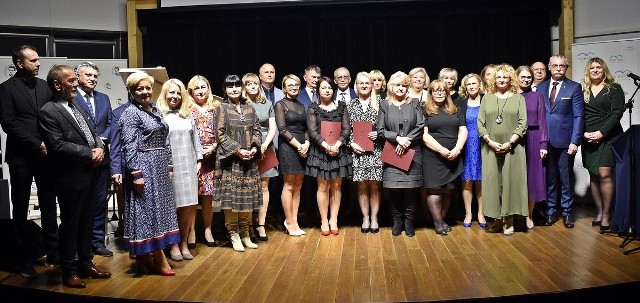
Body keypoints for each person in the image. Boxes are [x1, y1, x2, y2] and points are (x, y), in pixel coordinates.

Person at [38, 64, 111, 288]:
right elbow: (57, 145)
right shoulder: (48, 111)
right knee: (71, 225)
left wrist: (99, 148)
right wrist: (89, 153)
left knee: (87, 222)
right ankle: (69, 271)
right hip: (69, 178)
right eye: (71, 81)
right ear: (57, 84)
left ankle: (86, 263)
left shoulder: (75, 105)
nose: (76, 84)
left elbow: (92, 132)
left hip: (90, 174)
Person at [0, 45, 58, 279]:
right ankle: (23, 259)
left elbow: (53, 115)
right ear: (19, 63)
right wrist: (36, 143)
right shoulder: (5, 89)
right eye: (33, 60)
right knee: (21, 208)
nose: (38, 63)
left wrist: (50, 143)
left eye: (38, 60)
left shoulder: (44, 86)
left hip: (46, 157)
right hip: (21, 158)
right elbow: (8, 123)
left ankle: (53, 253)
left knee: (48, 204)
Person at [120, 71, 179, 276]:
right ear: (131, 91)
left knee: (160, 211)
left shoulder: (155, 110)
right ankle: (156, 256)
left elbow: (166, 139)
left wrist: (169, 165)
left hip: (160, 167)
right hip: (144, 167)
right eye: (140, 89)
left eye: (147, 88)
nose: (145, 92)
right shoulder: (130, 113)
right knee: (147, 211)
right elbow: (129, 146)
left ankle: (146, 257)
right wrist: (137, 173)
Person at [477, 64, 528, 236]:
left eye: (505, 77)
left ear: (511, 79)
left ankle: (508, 220)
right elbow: (480, 123)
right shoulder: (486, 98)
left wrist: (510, 143)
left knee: (511, 182)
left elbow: (523, 124)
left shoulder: (518, 98)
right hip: (490, 147)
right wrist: (489, 141)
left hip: (513, 148)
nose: (501, 79)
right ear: (493, 79)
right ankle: (496, 219)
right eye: (498, 77)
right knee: (493, 184)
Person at [214, 74, 263, 252]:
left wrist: (255, 148)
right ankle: (233, 234)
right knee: (232, 199)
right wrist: (237, 150)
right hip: (231, 160)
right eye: (230, 86)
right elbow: (219, 134)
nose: (234, 89)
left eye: (236, 85)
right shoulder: (222, 108)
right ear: (225, 89)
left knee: (247, 198)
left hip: (249, 160)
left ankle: (245, 233)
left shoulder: (249, 107)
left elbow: (257, 129)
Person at [157, 79, 202, 261]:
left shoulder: (187, 115)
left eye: (178, 93)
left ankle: (183, 243)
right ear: (164, 94)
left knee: (188, 207)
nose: (175, 96)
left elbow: (195, 139)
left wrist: (198, 160)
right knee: (172, 207)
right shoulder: (159, 114)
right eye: (171, 93)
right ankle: (173, 245)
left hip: (188, 165)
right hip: (170, 167)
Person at [73, 61, 114, 257]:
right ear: (78, 76)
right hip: (81, 160)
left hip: (102, 159)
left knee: (99, 203)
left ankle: (97, 242)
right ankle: (80, 244)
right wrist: (91, 147)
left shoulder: (104, 98)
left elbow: (110, 124)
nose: (92, 78)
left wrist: (101, 143)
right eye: (88, 75)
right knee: (80, 204)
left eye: (95, 76)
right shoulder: (71, 99)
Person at [538, 55, 585, 229]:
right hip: (544, 141)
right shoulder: (540, 88)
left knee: (565, 179)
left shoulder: (574, 87)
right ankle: (551, 211)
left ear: (566, 68)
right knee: (549, 179)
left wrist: (575, 141)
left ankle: (566, 213)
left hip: (566, 142)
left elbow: (579, 116)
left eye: (562, 66)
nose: (558, 68)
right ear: (549, 67)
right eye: (555, 65)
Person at [377, 71, 425, 237]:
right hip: (392, 151)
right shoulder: (384, 105)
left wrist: (407, 140)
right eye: (397, 85)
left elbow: (421, 125)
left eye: (404, 86)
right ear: (391, 87)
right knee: (394, 189)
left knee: (411, 189)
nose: (401, 88)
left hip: (412, 151)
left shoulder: (415, 103)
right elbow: (381, 130)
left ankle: (409, 221)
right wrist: (397, 138)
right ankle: (397, 221)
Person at [580, 57, 625, 232]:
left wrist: (601, 133)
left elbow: (616, 114)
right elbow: (578, 114)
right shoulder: (582, 89)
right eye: (592, 68)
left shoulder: (614, 89)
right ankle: (598, 212)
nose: (596, 70)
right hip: (588, 137)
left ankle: (607, 214)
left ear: (604, 69)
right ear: (588, 71)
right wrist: (584, 133)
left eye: (599, 67)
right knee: (593, 174)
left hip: (609, 137)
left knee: (605, 174)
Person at [306, 76, 352, 235]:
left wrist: (337, 145)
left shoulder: (341, 106)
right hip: (320, 152)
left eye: (330, 88)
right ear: (318, 90)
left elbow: (347, 129)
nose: (327, 90)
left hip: (338, 151)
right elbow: (312, 132)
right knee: (323, 186)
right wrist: (326, 146)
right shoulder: (313, 108)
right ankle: (324, 220)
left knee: (337, 186)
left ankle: (334, 219)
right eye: (324, 88)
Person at [422, 80, 467, 235]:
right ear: (431, 93)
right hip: (433, 156)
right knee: (434, 190)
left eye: (442, 91)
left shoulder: (456, 109)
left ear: (447, 93)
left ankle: (442, 219)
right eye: (436, 91)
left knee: (448, 190)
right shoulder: (424, 109)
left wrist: (457, 149)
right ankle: (438, 222)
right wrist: (441, 149)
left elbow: (463, 130)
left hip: (453, 155)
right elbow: (424, 135)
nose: (439, 93)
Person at [244, 73, 278, 241]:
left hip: (266, 146)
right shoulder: (241, 104)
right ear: (244, 87)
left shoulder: (267, 103)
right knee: (249, 187)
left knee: (264, 186)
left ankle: (261, 224)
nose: (253, 86)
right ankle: (249, 224)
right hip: (247, 147)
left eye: (255, 83)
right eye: (249, 84)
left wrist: (264, 145)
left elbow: (273, 128)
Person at [348, 72, 383, 233]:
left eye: (367, 83)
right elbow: (345, 130)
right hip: (358, 151)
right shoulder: (350, 105)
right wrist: (351, 143)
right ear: (356, 85)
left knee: (375, 185)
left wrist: (379, 134)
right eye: (360, 83)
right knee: (362, 185)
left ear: (372, 85)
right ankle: (365, 218)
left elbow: (387, 128)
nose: (364, 86)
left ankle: (374, 218)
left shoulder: (381, 104)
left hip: (376, 150)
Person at [275, 74, 309, 236]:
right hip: (289, 147)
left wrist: (307, 144)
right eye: (290, 85)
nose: (294, 87)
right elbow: (282, 130)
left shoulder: (302, 105)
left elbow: (307, 128)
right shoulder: (280, 104)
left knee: (298, 185)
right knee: (289, 185)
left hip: (303, 145)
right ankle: (289, 221)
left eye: (296, 85)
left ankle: (295, 221)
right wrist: (299, 146)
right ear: (284, 88)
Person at [187, 75, 219, 246]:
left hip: (212, 159)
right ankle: (191, 231)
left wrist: (213, 146)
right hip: (192, 159)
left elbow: (222, 132)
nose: (200, 91)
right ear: (191, 91)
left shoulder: (216, 108)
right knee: (192, 197)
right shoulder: (186, 109)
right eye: (196, 88)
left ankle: (208, 229)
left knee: (209, 196)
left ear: (208, 88)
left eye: (203, 87)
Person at [516, 65, 548, 229]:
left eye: (529, 77)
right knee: (516, 178)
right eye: (523, 77)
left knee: (532, 178)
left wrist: (543, 144)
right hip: (515, 140)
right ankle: (515, 215)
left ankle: (529, 215)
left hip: (534, 138)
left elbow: (542, 121)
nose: (526, 80)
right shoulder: (511, 96)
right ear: (516, 77)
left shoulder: (538, 97)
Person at [455, 73, 486, 228]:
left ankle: (481, 213)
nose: (472, 86)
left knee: (481, 181)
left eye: (475, 83)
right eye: (469, 84)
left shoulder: (487, 100)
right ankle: (468, 213)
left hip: (484, 145)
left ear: (480, 85)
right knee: (467, 181)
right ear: (465, 87)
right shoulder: (460, 103)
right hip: (466, 145)